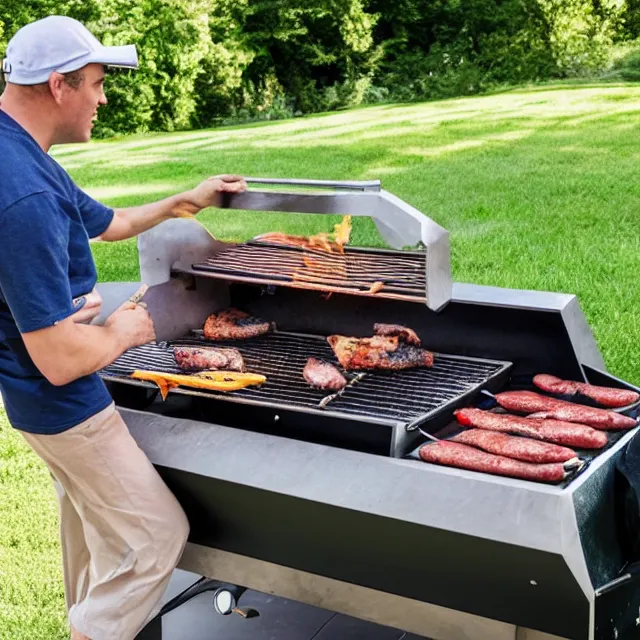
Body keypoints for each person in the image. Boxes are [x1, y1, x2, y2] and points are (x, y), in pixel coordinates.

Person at [0, 15, 247, 640]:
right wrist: (123, 333)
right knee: (156, 535)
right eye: (98, 84)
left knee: (93, 532)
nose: (104, 99)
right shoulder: (21, 193)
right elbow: (59, 359)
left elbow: (106, 222)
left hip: (34, 399)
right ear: (60, 85)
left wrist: (184, 200)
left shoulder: (19, 152)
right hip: (61, 401)